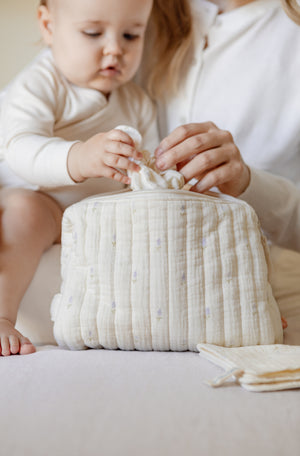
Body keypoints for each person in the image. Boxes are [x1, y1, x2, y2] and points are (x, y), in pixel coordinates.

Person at [0, 0, 193, 356]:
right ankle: (1, 315)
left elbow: (146, 171)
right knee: (22, 213)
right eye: (93, 33)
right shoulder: (40, 85)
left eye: (131, 35)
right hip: (43, 201)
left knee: (157, 225)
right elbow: (20, 149)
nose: (115, 48)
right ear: (48, 25)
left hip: (98, 214)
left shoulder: (137, 103)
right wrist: (80, 156)